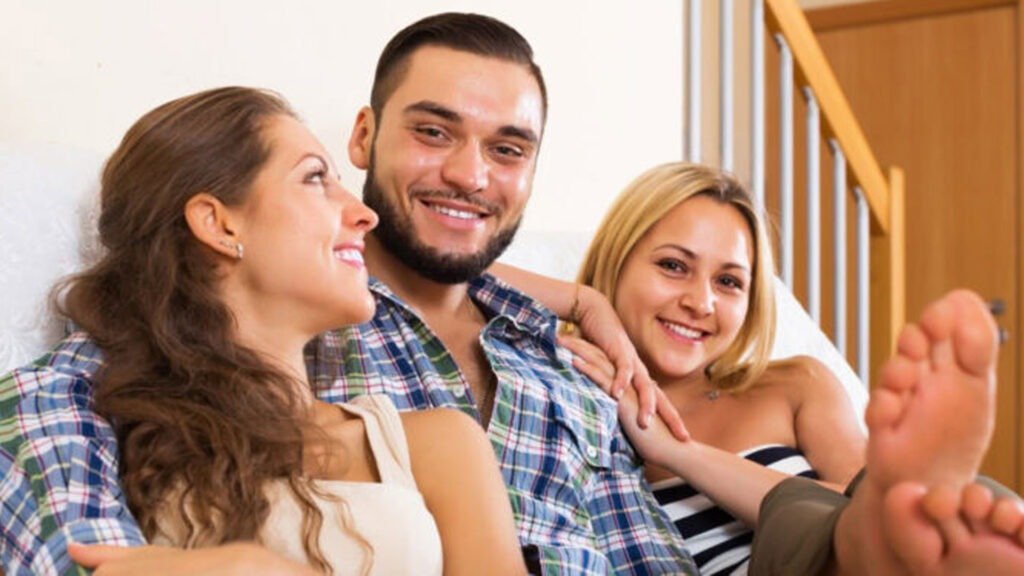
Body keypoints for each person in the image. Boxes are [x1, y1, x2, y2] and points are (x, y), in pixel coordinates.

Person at [0, 13, 695, 576]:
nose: (471, 176)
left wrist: (582, 301)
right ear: (365, 135)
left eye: (508, 150)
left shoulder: (570, 374)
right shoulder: (91, 393)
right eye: (432, 130)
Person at [0, 86, 526, 575]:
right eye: (316, 178)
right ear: (220, 223)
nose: (364, 214)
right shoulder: (95, 424)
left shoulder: (440, 444)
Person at [498, 161, 1024, 575]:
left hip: (853, 552)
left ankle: (903, 539)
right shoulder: (569, 392)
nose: (700, 302)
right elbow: (437, 272)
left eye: (728, 282)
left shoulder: (795, 384)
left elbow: (855, 497)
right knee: (892, 521)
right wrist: (583, 302)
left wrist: (680, 454)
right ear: (616, 263)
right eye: (673, 266)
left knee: (902, 508)